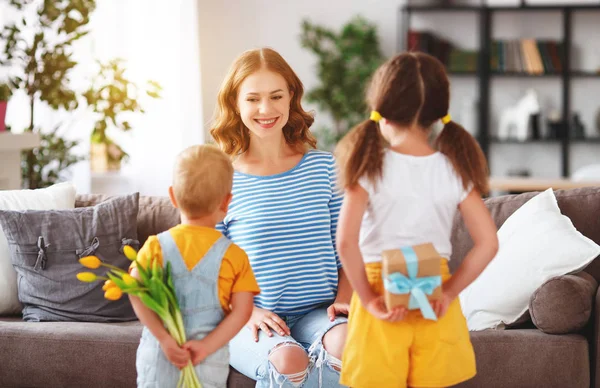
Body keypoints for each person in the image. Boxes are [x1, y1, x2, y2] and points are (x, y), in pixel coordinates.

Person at [335, 52, 499, 388]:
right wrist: (450, 292)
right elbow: (488, 243)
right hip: (432, 292)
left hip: (380, 290)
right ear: (437, 115)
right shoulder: (455, 170)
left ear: (383, 110)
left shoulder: (368, 166)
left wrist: (368, 299)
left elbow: (346, 242)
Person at [211, 47, 350, 387]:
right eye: (253, 99)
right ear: (235, 104)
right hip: (247, 316)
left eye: (276, 96)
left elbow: (348, 247)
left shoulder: (325, 168)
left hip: (319, 312)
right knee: (289, 359)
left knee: (349, 344)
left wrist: (346, 298)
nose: (265, 109)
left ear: (291, 97)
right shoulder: (219, 178)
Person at [129, 145, 260, 387]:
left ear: (172, 196)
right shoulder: (235, 255)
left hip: (160, 357)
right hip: (206, 363)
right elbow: (242, 312)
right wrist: (205, 347)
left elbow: (135, 292)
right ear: (227, 202)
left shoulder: (154, 246)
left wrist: (165, 339)